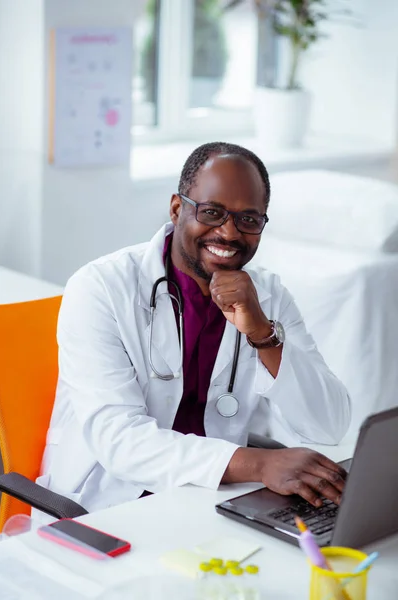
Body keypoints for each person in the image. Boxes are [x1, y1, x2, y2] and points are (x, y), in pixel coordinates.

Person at [38, 142, 351, 514]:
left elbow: (329, 424)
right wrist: (258, 463)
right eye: (212, 212)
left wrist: (263, 334)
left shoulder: (267, 296)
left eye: (249, 219)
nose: (230, 233)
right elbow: (119, 441)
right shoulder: (101, 288)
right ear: (176, 208)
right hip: (104, 506)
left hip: (208, 499)